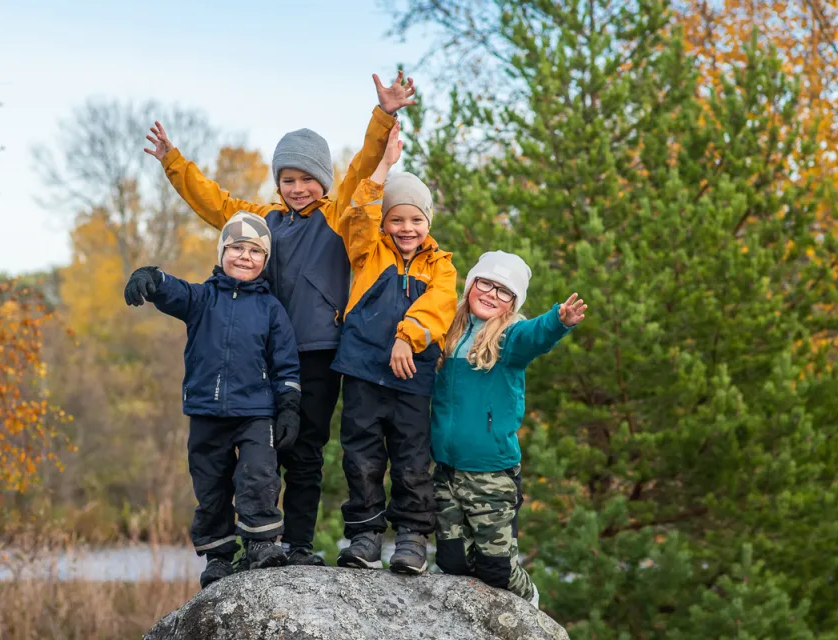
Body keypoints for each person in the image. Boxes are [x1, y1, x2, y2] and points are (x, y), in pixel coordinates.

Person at [141, 72, 417, 566]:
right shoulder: (262, 219)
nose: (298, 188)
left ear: (324, 182)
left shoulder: (335, 213)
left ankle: (299, 545)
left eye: (307, 179)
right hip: (259, 356)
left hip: (314, 353)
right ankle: (257, 544)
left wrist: (385, 114)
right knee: (258, 454)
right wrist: (173, 162)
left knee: (304, 451)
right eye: (288, 179)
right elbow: (215, 203)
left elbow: (363, 164)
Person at [122, 213, 301, 588]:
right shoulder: (203, 298)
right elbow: (175, 292)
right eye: (237, 247)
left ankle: (261, 544)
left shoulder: (272, 310)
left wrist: (288, 407)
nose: (245, 256)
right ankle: (219, 555)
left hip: (256, 413)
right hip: (206, 411)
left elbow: (285, 365)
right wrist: (152, 278)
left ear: (265, 261)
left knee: (259, 475)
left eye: (255, 251)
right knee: (211, 484)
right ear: (222, 252)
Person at [331, 121, 456, 574]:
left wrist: (407, 336)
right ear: (385, 223)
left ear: (428, 222)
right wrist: (384, 165)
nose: (406, 228)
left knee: (411, 458)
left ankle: (410, 539)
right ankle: (365, 535)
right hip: (363, 370)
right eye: (397, 219)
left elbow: (440, 307)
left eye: (416, 219)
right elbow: (359, 209)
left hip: (412, 376)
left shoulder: (440, 266)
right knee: (362, 456)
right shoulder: (368, 251)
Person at [430, 250, 589, 604]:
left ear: (514, 302)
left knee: (497, 569)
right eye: (485, 283)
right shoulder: (448, 330)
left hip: (491, 473)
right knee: (451, 560)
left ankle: (527, 598)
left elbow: (536, 336)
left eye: (505, 291)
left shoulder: (509, 338)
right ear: (471, 285)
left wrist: (558, 321)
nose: (491, 294)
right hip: (446, 470)